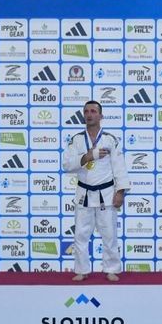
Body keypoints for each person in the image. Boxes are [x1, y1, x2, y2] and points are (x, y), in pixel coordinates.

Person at [62, 101, 130, 282]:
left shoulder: (110, 140)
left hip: (106, 194)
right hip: (84, 194)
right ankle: (82, 270)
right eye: (86, 111)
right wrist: (88, 156)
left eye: (93, 111)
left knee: (109, 234)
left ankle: (111, 269)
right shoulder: (76, 140)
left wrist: (120, 191)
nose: (89, 114)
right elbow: (67, 165)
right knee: (81, 234)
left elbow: (120, 167)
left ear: (101, 116)